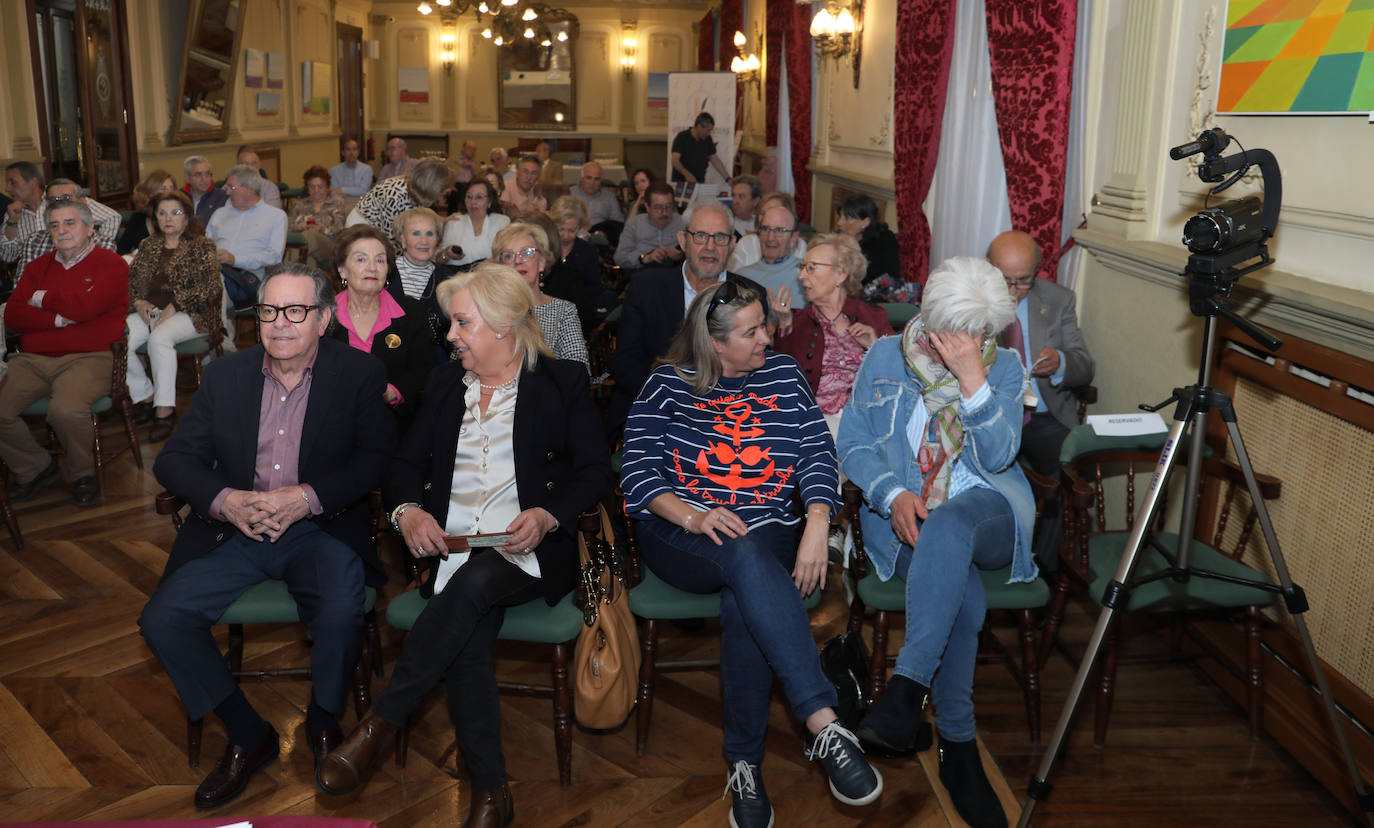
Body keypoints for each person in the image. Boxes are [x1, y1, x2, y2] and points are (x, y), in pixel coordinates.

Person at [317, 263, 611, 828]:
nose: (449, 336)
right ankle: (492, 795)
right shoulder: (447, 383)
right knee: (468, 634)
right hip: (451, 548)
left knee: (476, 584)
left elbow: (596, 472)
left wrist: (550, 515)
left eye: (460, 324)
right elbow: (404, 463)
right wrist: (407, 512)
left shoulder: (561, 381)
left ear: (502, 326)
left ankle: (379, 726)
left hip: (529, 546)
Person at [620, 277, 883, 827]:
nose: (767, 336)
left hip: (766, 532)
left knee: (747, 593)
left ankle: (745, 765)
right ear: (715, 344)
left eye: (765, 324)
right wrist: (695, 514)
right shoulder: (667, 385)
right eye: (752, 331)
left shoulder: (784, 376)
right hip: (680, 533)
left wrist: (816, 523)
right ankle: (822, 721)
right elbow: (637, 473)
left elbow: (816, 452)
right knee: (744, 559)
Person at [140, 263, 395, 809]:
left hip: (319, 528)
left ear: (324, 319)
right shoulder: (226, 376)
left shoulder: (359, 375)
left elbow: (376, 461)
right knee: (163, 619)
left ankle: (324, 719)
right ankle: (247, 732)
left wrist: (306, 497)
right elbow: (175, 460)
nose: (280, 324)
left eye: (296, 311)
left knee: (339, 609)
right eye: (270, 311)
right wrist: (226, 501)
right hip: (235, 530)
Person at [837, 256, 1035, 828]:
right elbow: (853, 441)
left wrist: (974, 380)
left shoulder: (1003, 366)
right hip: (905, 513)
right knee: (961, 589)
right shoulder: (883, 357)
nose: (976, 341)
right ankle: (958, 747)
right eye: (965, 332)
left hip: (988, 509)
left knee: (951, 526)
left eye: (986, 332)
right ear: (929, 317)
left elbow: (999, 458)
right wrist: (892, 491)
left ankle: (905, 690)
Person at [0, 200, 128, 507]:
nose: (62, 231)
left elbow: (90, 307)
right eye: (55, 225)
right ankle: (36, 468)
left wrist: (41, 298)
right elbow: (13, 315)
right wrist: (57, 318)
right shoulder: (36, 267)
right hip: (32, 360)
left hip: (90, 357)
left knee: (65, 410)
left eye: (70, 223)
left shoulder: (111, 264)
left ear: (89, 229)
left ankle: (84, 474)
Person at [607, 201, 737, 436]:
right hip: (657, 410)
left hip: (727, 418)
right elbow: (625, 363)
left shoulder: (749, 295)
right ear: (682, 240)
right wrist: (674, 402)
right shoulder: (647, 287)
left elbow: (755, 371)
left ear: (732, 244)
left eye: (720, 237)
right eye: (700, 236)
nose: (710, 246)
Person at [986, 229, 1095, 477]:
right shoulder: (971, 299)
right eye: (1004, 280)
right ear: (989, 268)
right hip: (990, 416)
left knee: (1071, 469)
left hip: (1043, 417)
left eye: (1023, 280)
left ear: (1036, 270)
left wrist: (1061, 363)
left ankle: (1050, 517)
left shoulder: (1059, 300)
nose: (1013, 291)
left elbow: (1086, 366)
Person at [125, 190, 222, 442]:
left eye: (175, 213)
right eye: (162, 213)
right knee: (118, 338)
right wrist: (138, 300)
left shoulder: (202, 245)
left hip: (193, 312)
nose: (168, 218)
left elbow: (211, 286)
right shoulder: (148, 245)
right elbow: (131, 281)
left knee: (159, 339)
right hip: (150, 311)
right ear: (155, 218)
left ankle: (165, 410)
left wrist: (177, 304)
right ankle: (145, 396)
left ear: (187, 217)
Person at [772, 233, 888, 437]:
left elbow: (899, 377)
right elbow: (782, 383)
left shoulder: (874, 318)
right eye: (802, 268)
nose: (801, 276)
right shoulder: (795, 323)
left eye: (811, 268)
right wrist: (784, 327)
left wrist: (875, 346)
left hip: (868, 422)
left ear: (840, 275)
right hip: (816, 425)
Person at [329, 225, 435, 431]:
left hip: (393, 424)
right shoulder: (323, 316)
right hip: (333, 422)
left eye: (380, 260)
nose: (372, 267)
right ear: (342, 269)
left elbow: (424, 368)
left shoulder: (413, 313)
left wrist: (392, 392)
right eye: (361, 259)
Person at [491, 221, 588, 371]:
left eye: (526, 252)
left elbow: (579, 370)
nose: (517, 261)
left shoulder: (563, 311)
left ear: (541, 262)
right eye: (509, 256)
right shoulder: (487, 309)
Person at [206, 165, 287, 309]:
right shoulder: (220, 214)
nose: (228, 192)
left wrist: (235, 260)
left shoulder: (275, 216)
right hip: (215, 271)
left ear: (248, 189)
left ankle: (217, 329)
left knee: (213, 283)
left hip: (248, 279)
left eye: (232, 187)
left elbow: (274, 257)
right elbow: (205, 245)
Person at [6, 179, 123, 274]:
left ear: (83, 201)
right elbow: (22, 290)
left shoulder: (101, 245)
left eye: (66, 198)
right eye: (54, 199)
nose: (59, 203)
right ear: (46, 205)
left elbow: (90, 292)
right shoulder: (34, 242)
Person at [385, 207, 456, 349]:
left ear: (438, 240)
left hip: (431, 359)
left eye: (430, 234)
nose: (424, 241)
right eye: (416, 233)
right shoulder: (384, 272)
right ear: (402, 240)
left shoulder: (448, 280)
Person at [348, 158, 456, 246]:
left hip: (382, 229)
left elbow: (420, 213)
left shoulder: (417, 187)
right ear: (432, 187)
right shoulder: (395, 197)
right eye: (444, 189)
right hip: (363, 227)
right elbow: (392, 240)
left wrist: (443, 219)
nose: (449, 190)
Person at [735, 201, 806, 310]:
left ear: (793, 239)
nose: (770, 237)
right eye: (765, 229)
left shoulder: (805, 273)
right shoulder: (742, 277)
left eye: (779, 230)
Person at [545, 196, 603, 328]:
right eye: (561, 229)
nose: (565, 236)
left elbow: (595, 288)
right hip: (547, 313)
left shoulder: (587, 251)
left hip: (579, 314)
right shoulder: (545, 248)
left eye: (572, 231)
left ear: (580, 228)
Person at [728, 191, 808, 272]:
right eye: (762, 213)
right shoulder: (746, 243)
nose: (766, 218)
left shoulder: (800, 245)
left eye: (773, 212)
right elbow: (737, 278)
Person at [613, 181, 684, 270]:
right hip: (642, 273)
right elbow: (620, 258)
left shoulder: (681, 222)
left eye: (669, 206)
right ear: (647, 206)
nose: (664, 212)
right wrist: (646, 258)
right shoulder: (634, 224)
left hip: (674, 272)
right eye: (658, 207)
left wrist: (682, 255)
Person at [288, 166, 348, 271]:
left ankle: (288, 270)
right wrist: (298, 227)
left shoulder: (336, 203)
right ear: (307, 187)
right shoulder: (299, 205)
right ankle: (306, 283)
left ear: (327, 187)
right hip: (307, 250)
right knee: (309, 260)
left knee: (310, 235)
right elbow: (287, 227)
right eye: (312, 187)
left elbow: (340, 229)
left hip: (330, 247)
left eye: (320, 187)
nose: (316, 190)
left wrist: (321, 229)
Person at [441, 179, 510, 267]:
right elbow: (439, 260)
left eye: (479, 197)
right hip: (456, 277)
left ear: (489, 201)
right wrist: (446, 254)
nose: (473, 202)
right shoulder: (454, 222)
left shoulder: (501, 222)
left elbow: (507, 256)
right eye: (469, 197)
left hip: (490, 276)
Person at [835, 194, 900, 285]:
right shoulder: (839, 237)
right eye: (840, 216)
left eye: (847, 218)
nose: (839, 223)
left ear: (865, 222)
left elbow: (887, 278)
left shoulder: (884, 241)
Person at [118, 169, 176, 255]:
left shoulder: (179, 216)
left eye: (171, 189)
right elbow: (121, 249)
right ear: (150, 193)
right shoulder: (138, 218)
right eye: (163, 189)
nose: (169, 193)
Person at [1, 161, 46, 263]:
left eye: (12, 182)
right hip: (30, 275)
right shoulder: (12, 213)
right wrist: (12, 222)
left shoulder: (59, 201)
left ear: (33, 183)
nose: (7, 189)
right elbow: (7, 257)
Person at [572, 161, 624, 243]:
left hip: (598, 237)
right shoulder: (570, 193)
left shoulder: (609, 197)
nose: (592, 183)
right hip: (573, 234)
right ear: (582, 178)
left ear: (601, 180)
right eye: (589, 178)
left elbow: (619, 223)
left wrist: (606, 233)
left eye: (596, 179)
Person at [670, 112, 729, 183]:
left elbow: (714, 159)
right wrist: (686, 173)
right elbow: (675, 160)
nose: (709, 133)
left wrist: (728, 179)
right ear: (699, 126)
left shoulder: (708, 139)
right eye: (708, 130)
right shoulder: (682, 137)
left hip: (699, 182)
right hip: (681, 182)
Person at [182, 155, 227, 222]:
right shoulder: (180, 197)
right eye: (198, 175)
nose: (204, 179)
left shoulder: (222, 197)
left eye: (207, 174)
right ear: (187, 178)